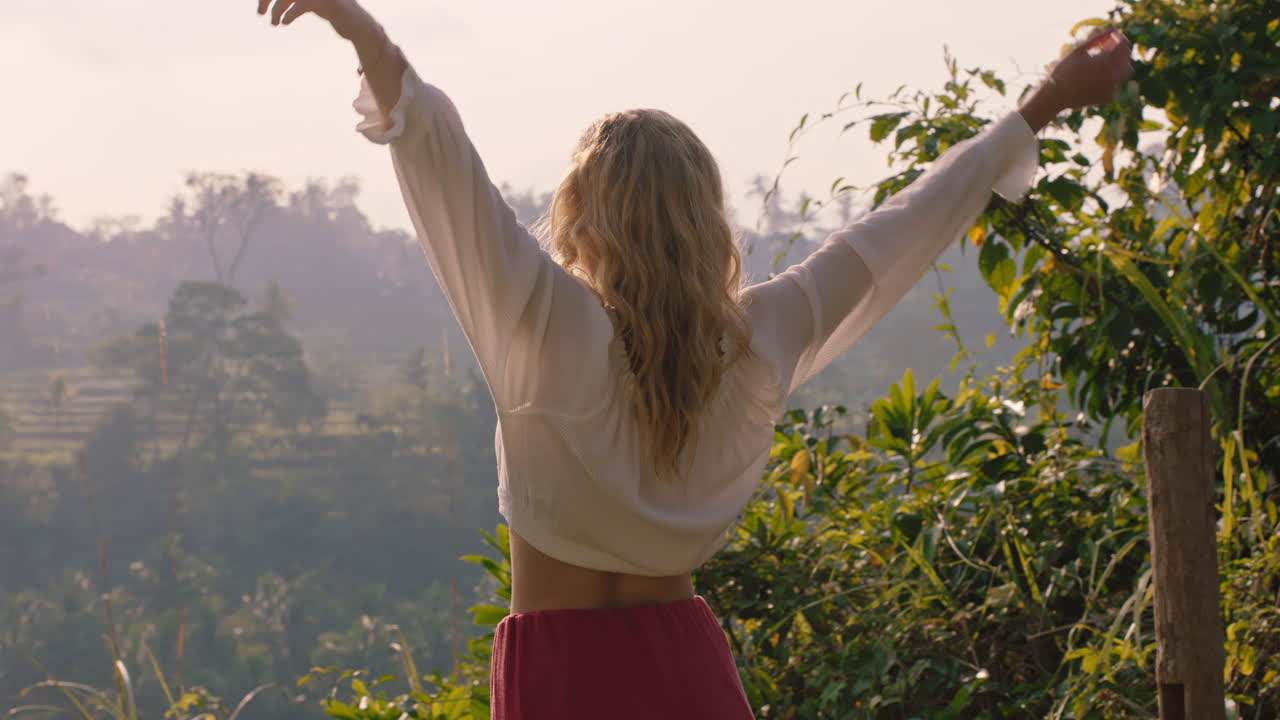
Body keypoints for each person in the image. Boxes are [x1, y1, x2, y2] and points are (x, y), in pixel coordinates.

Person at [254, 1, 1134, 717]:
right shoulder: (756, 336)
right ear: (706, 220)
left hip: (557, 677)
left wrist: (362, 30)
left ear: (580, 218)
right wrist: (1044, 99)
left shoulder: (541, 321)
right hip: (686, 670)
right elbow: (900, 230)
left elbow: (443, 164)